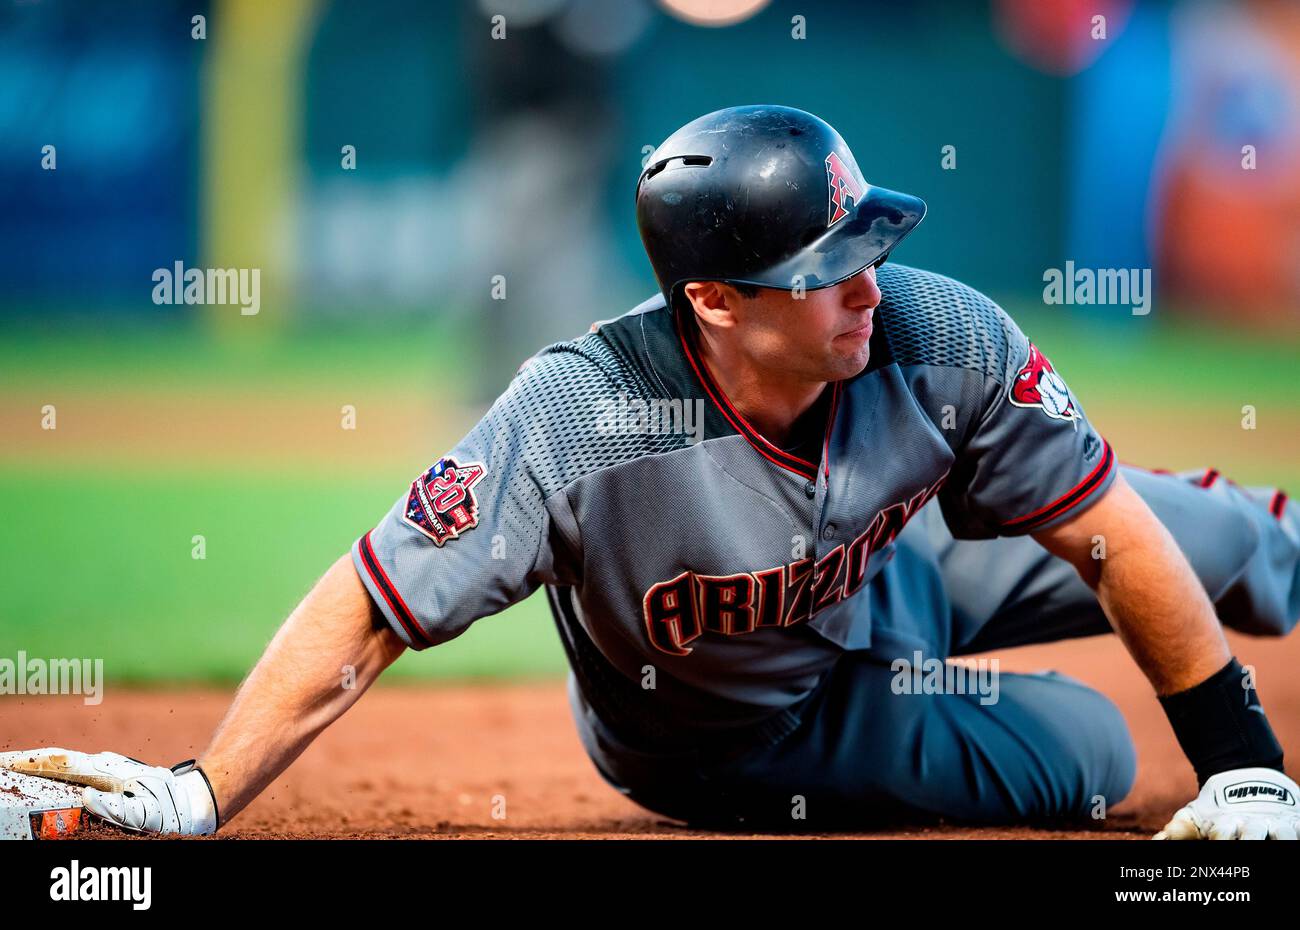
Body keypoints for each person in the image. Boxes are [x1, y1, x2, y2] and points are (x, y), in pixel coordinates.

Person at [5, 106, 1298, 839]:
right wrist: (197, 791)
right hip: (746, 733)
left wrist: (1242, 759)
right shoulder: (585, 413)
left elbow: (1108, 531)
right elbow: (374, 597)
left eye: (871, 242)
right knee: (1088, 752)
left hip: (893, 572)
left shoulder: (932, 331)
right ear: (718, 303)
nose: (866, 284)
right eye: (821, 267)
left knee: (1223, 536)